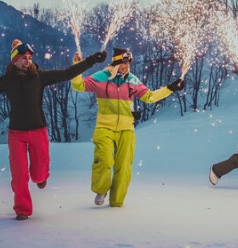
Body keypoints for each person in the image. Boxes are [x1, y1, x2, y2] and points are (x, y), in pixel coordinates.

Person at [0, 39, 106, 220]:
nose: (27, 61)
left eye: (29, 58)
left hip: (38, 131)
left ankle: (41, 177)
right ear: (14, 60)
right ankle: (23, 210)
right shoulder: (7, 81)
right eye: (23, 58)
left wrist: (92, 60)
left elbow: (68, 73)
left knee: (38, 174)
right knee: (19, 174)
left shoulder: (39, 76)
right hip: (16, 134)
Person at [71, 47, 185, 208]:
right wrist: (78, 64)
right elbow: (78, 85)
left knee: (124, 166)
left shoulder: (132, 80)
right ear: (116, 62)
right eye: (124, 63)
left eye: (128, 63)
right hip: (104, 127)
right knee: (104, 159)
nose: (126, 67)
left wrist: (170, 89)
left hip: (126, 129)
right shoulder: (101, 78)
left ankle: (117, 201)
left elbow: (149, 97)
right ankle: (101, 189)